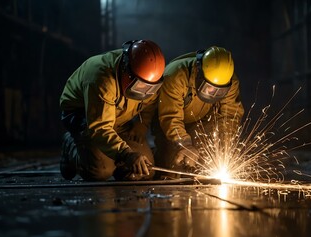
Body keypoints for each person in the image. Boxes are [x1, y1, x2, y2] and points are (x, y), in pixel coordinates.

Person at [59, 40, 165, 181]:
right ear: (127, 72)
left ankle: (117, 163)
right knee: (100, 171)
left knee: (144, 170)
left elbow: (151, 101)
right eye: (141, 86)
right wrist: (126, 154)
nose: (145, 92)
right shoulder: (101, 77)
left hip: (118, 120)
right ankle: (70, 147)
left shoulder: (149, 79)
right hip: (85, 118)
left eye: (150, 88)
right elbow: (100, 127)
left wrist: (142, 125)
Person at [153, 46, 244, 176]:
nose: (213, 94)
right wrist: (184, 144)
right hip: (168, 126)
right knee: (174, 167)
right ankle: (159, 153)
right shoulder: (175, 75)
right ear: (199, 72)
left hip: (200, 122)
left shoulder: (230, 81)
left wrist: (224, 146)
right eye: (209, 88)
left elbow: (230, 116)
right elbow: (170, 117)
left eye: (219, 91)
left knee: (207, 160)